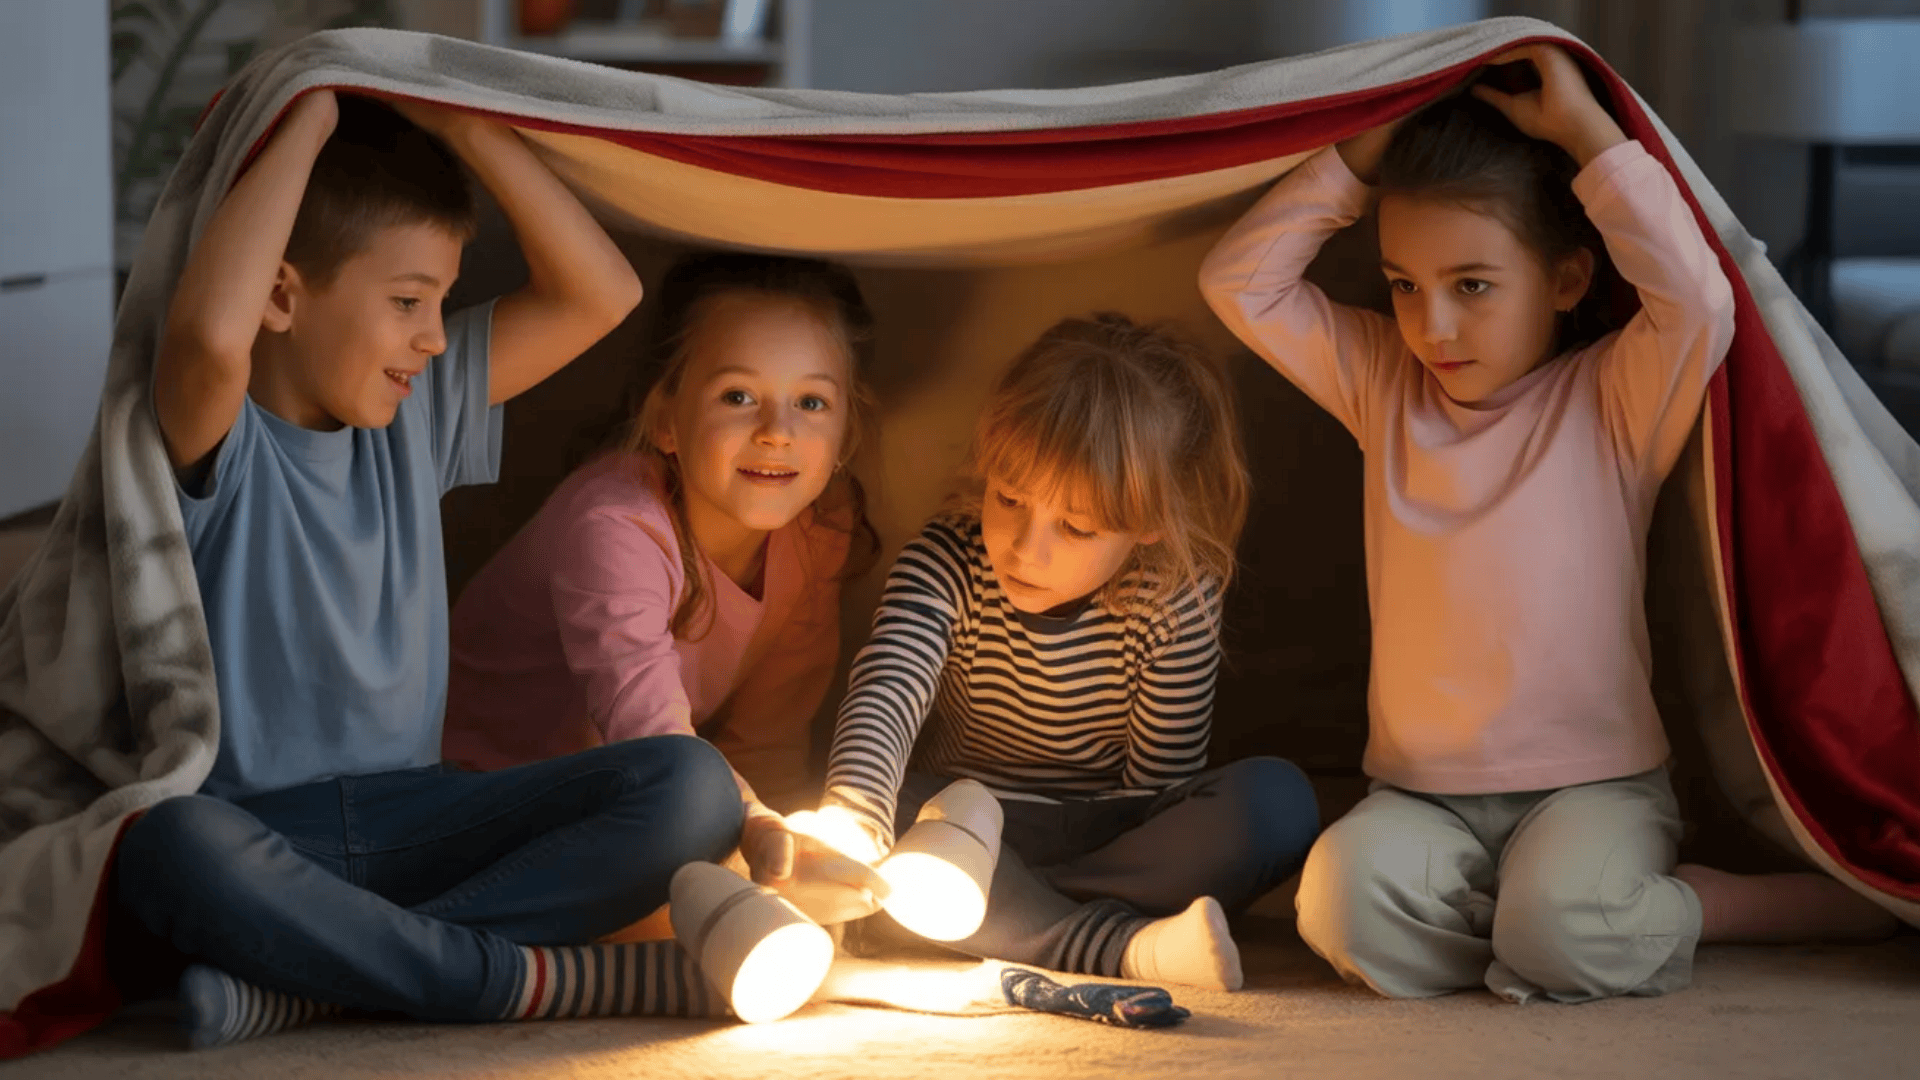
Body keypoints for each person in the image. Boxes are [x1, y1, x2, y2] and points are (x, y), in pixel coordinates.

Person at [1200, 43, 1896, 1004]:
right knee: (1339, 912)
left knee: (1567, 929)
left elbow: (1698, 297)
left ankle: (1707, 908)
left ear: (1566, 280)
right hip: (1421, 796)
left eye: (1472, 286)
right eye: (1405, 285)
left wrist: (1584, 134)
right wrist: (1359, 155)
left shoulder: (1615, 395)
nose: (1432, 327)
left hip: (1594, 787)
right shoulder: (1385, 388)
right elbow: (1238, 283)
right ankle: (1537, 925)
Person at [114, 90, 751, 1050]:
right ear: (281, 296)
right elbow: (208, 336)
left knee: (694, 787)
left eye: (441, 304)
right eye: (409, 302)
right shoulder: (218, 429)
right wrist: (309, 109)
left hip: (429, 816)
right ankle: (499, 976)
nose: (435, 337)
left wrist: (463, 121)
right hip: (264, 832)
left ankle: (321, 984)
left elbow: (602, 293)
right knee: (162, 848)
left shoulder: (421, 410)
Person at [821, 313, 1321, 992]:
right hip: (964, 820)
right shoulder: (945, 562)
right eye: (1009, 499)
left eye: (1076, 526)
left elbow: (1158, 788)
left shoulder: (1174, 597)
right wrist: (854, 819)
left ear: (1145, 524)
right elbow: (887, 689)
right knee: (875, 801)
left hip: (1105, 832)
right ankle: (1114, 945)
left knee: (1276, 803)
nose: (1026, 549)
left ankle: (975, 914)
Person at [445, 252, 886, 924]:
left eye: (812, 402)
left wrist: (788, 846)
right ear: (666, 421)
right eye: (738, 396)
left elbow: (767, 740)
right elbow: (652, 740)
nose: (777, 431)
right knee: (673, 899)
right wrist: (752, 830)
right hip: (478, 803)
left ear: (846, 430)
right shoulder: (614, 523)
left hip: (630, 794)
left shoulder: (820, 528)